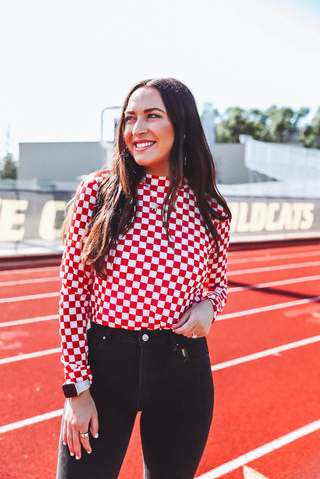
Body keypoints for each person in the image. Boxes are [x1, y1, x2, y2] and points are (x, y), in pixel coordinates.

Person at [56, 78, 231, 479]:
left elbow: (218, 282)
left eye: (153, 116)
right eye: (129, 118)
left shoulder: (208, 206)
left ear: (181, 124)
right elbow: (72, 298)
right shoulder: (96, 193)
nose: (137, 129)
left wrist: (209, 306)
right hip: (104, 369)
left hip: (182, 369)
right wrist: (76, 393)